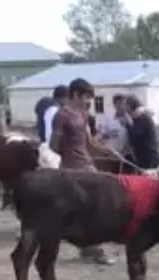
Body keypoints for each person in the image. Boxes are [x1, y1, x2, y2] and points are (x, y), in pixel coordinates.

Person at [51, 78, 114, 265]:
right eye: (86, 97)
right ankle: (92, 248)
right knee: (90, 208)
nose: (89, 102)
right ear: (75, 94)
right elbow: (53, 144)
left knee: (94, 206)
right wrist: (69, 156)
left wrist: (106, 150)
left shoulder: (83, 114)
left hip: (87, 164)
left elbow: (90, 142)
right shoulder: (62, 116)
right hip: (72, 169)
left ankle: (89, 247)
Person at [126, 96, 159, 171]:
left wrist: (128, 126)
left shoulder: (143, 118)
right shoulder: (138, 118)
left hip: (149, 157)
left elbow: (137, 135)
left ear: (131, 106)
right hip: (142, 156)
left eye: (126, 105)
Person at [98, 93, 132, 172]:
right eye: (119, 103)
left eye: (124, 103)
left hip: (128, 156)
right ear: (115, 104)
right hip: (113, 155)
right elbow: (102, 136)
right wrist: (108, 134)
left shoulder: (131, 118)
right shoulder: (109, 119)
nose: (122, 106)